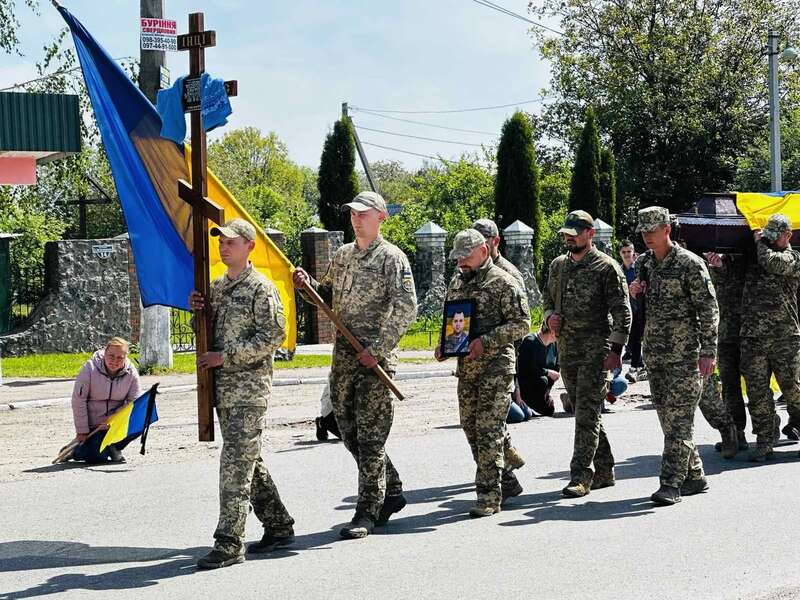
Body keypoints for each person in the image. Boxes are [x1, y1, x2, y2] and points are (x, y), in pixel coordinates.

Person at [293, 191, 417, 539]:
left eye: (363, 214)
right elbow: (326, 297)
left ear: (381, 217)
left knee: (372, 437)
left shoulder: (392, 258)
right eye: (352, 214)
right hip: (344, 359)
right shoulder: (343, 256)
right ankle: (391, 490)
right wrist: (305, 286)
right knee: (349, 433)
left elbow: (406, 307)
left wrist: (377, 349)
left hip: (374, 362)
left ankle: (368, 511)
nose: (356, 219)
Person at [191, 218, 295, 569]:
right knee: (248, 460)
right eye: (221, 241)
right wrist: (199, 314)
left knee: (235, 462)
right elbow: (210, 334)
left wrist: (227, 356)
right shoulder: (217, 287)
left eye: (231, 242)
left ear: (250, 246)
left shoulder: (261, 289)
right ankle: (279, 524)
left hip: (250, 390)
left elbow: (273, 337)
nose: (224, 247)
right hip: (223, 390)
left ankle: (229, 542)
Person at [435, 229, 530, 517]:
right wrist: (446, 344)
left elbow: (522, 324)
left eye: (466, 255)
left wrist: (486, 341)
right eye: (458, 256)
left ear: (483, 251)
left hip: (496, 366)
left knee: (488, 430)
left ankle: (489, 495)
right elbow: (454, 320)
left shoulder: (503, 282)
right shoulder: (457, 281)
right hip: (467, 368)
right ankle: (506, 479)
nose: (461, 261)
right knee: (471, 427)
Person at [629, 206, 719, 505]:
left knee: (680, 423)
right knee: (669, 422)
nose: (646, 238)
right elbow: (642, 303)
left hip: (686, 357)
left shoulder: (690, 264)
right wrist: (635, 291)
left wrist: (708, 351)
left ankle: (670, 484)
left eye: (652, 232)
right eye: (643, 232)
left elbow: (709, 309)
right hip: (655, 355)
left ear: (667, 229)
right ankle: (695, 475)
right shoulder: (644, 264)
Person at [543, 210, 631, 498]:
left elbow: (622, 312)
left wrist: (616, 350)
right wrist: (548, 319)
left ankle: (581, 475)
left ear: (590, 234)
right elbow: (547, 301)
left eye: (575, 233)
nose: (569, 238)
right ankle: (605, 469)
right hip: (567, 350)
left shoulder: (606, 267)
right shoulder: (558, 266)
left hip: (597, 351)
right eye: (566, 234)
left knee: (586, 414)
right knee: (585, 411)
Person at [471, 218, 528, 496]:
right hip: (471, 359)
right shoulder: (468, 272)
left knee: (490, 422)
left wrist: (504, 358)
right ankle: (507, 457)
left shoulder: (507, 274)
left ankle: (500, 477)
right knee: (482, 422)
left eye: (483, 240)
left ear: (495, 242)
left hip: (500, 359)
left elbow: (519, 323)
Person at [739, 214, 800, 461]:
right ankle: (764, 440)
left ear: (789, 236)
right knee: (757, 393)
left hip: (784, 336)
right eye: (769, 237)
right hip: (753, 338)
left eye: (776, 237)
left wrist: (759, 242)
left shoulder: (792, 258)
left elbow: (772, 262)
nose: (772, 241)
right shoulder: (755, 255)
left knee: (793, 390)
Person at [704, 251, 750, 454]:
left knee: (757, 386)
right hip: (724, 336)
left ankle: (767, 427)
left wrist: (723, 266)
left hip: (748, 333)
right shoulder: (705, 264)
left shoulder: (744, 261)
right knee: (730, 386)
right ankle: (736, 433)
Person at [69, 337, 141, 464]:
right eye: (111, 356)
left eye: (120, 357)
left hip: (115, 424)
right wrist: (82, 431)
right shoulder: (89, 369)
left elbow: (133, 402)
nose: (115, 361)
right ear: (104, 353)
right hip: (93, 428)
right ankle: (75, 449)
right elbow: (78, 401)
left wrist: (114, 418)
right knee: (98, 458)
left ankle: (114, 447)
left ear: (126, 357)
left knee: (141, 420)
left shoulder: (131, 373)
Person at [514, 322, 559, 417]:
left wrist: (548, 392)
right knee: (542, 380)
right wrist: (548, 372)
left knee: (549, 410)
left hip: (542, 389)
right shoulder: (530, 342)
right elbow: (525, 369)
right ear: (552, 331)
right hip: (527, 387)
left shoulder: (554, 345)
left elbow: (556, 368)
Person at [618, 240, 647, 382]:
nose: (627, 255)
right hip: (626, 310)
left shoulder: (640, 269)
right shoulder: (618, 270)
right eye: (624, 252)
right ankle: (641, 365)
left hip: (640, 309)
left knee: (636, 338)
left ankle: (634, 368)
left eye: (629, 251)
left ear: (633, 252)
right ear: (620, 254)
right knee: (629, 341)